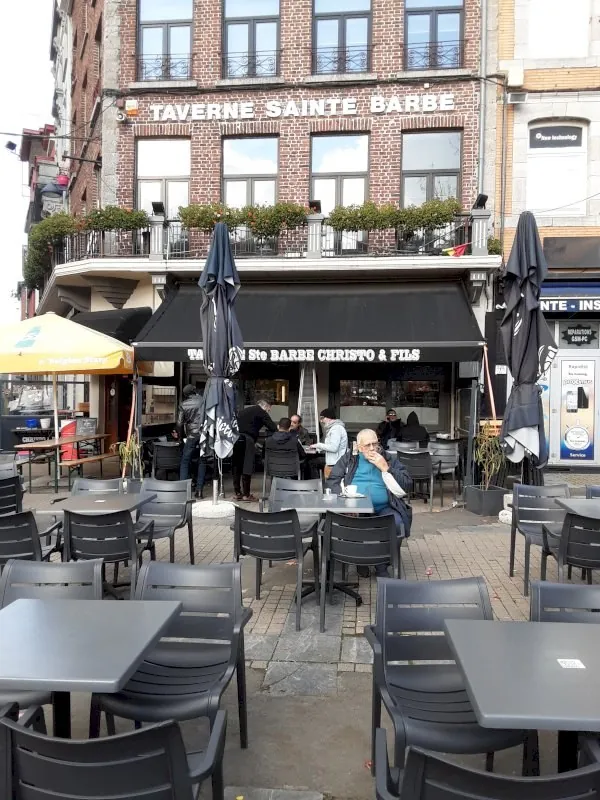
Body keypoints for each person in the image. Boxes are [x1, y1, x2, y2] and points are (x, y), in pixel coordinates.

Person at [327, 428, 412, 577]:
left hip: (385, 507)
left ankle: (382, 563)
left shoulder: (388, 458)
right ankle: (361, 560)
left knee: (398, 524)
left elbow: (407, 484)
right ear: (359, 447)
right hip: (356, 507)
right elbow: (332, 481)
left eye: (375, 444)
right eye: (367, 445)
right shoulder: (349, 459)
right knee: (353, 524)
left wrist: (386, 468)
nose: (372, 448)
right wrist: (344, 504)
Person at [232, 398, 277, 501]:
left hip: (235, 439)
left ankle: (238, 492)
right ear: (266, 406)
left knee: (236, 466)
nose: (269, 411)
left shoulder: (243, 411)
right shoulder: (261, 412)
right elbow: (273, 427)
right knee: (247, 466)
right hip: (248, 439)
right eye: (269, 409)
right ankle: (246, 495)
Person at [176, 384, 207, 499]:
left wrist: (180, 437)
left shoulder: (183, 405)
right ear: (194, 391)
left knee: (185, 461)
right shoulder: (204, 401)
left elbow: (179, 423)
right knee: (202, 460)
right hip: (204, 434)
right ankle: (199, 491)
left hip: (191, 435)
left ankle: (184, 491)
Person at [312, 408, 348, 480]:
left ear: (329, 417)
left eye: (322, 418)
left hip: (334, 464)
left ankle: (315, 485)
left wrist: (318, 445)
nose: (321, 421)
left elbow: (333, 448)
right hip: (335, 463)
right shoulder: (335, 428)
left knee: (331, 487)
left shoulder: (336, 429)